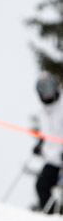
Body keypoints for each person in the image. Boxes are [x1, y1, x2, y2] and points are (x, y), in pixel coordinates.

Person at [33, 72, 63, 212]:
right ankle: (49, 219)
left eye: (49, 91)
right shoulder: (42, 112)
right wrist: (40, 144)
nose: (48, 96)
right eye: (44, 93)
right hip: (53, 159)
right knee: (41, 185)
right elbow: (46, 133)